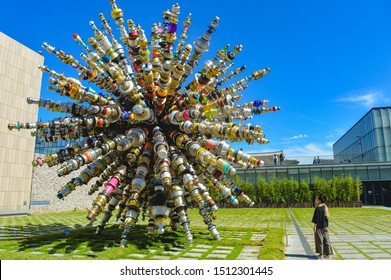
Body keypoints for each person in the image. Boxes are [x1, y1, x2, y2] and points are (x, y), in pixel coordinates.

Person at [311, 195, 332, 259]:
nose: (315, 200)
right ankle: (328, 254)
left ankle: (321, 254)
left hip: (319, 227)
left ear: (319, 200)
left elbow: (316, 219)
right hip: (325, 226)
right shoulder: (325, 207)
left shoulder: (318, 208)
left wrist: (314, 227)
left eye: (316, 199)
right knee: (326, 239)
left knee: (319, 240)